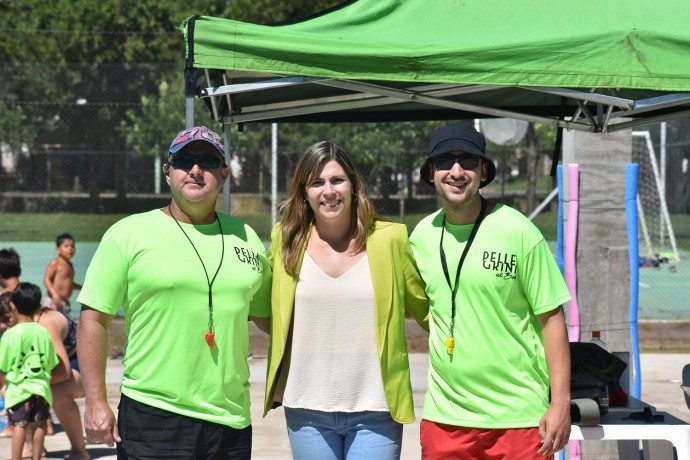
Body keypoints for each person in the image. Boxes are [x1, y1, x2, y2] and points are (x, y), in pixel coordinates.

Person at [76, 125, 272, 459]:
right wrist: (95, 401)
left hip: (229, 420)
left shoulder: (247, 238)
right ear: (168, 173)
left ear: (224, 174)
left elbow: (273, 320)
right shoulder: (128, 234)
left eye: (208, 161)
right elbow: (93, 319)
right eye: (185, 160)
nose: (196, 169)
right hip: (153, 415)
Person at [409, 123, 572, 460]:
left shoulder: (519, 232)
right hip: (446, 418)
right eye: (444, 162)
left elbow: (552, 319)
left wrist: (560, 403)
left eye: (467, 161)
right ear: (431, 172)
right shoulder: (421, 236)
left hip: (519, 417)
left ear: (483, 171)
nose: (456, 171)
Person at [264, 140, 429, 460]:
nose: (328, 190)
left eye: (337, 180)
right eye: (317, 182)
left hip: (376, 410)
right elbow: (264, 311)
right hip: (307, 410)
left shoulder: (390, 239)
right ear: (304, 192)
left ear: (353, 185)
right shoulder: (285, 239)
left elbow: (427, 312)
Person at [0, 283, 59, 460]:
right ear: (38, 307)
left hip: (19, 390)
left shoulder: (10, 334)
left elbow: (2, 365)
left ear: (12, 306)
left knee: (20, 424)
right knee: (39, 423)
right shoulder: (43, 332)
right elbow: (50, 362)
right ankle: (37, 457)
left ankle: (16, 457)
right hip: (41, 388)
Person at [35, 302, 89, 459]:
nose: (4, 325)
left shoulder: (47, 322)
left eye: (5, 319)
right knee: (14, 392)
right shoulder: (17, 326)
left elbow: (63, 372)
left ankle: (80, 451)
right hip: (52, 371)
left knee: (57, 393)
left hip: (78, 368)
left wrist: (35, 384)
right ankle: (34, 448)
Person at [43, 233, 82, 313]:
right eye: (66, 246)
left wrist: (82, 288)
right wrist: (54, 294)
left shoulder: (70, 265)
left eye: (72, 246)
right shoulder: (55, 263)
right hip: (54, 300)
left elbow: (69, 283)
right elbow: (47, 279)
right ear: (58, 250)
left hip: (64, 301)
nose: (70, 249)